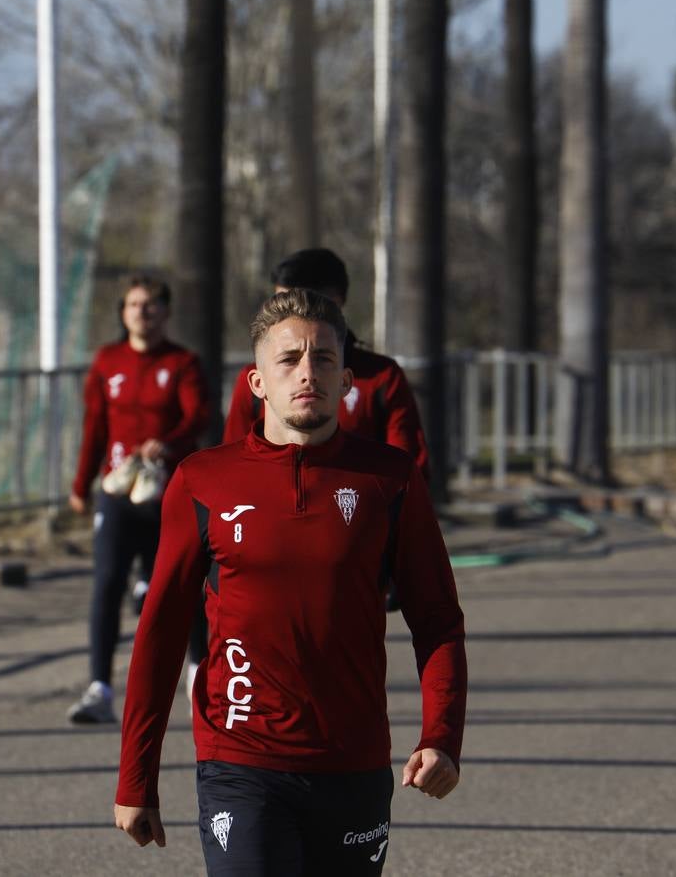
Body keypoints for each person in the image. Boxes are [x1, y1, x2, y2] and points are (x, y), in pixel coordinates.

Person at [114, 289, 467, 875]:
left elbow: (438, 621)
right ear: (256, 382)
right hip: (240, 761)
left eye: (323, 358)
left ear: (346, 380)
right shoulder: (204, 480)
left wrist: (442, 737)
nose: (308, 372)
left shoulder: (390, 480)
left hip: (353, 764)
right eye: (289, 359)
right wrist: (136, 776)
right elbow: (161, 632)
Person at [221, 248, 429, 613]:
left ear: (335, 299)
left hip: (353, 538)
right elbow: (232, 465)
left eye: (296, 300)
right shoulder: (256, 380)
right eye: (278, 302)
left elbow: (407, 469)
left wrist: (399, 551)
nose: (287, 313)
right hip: (269, 538)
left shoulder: (380, 377)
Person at [67, 274, 209, 725]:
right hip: (118, 489)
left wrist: (168, 443)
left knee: (182, 584)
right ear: (123, 312)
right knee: (107, 581)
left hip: (168, 492)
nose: (141, 312)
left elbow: (198, 415)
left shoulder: (182, 363)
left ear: (166, 311)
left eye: (150, 305)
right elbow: (95, 425)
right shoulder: (107, 361)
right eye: (133, 305)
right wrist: (81, 484)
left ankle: (199, 673)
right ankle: (100, 687)